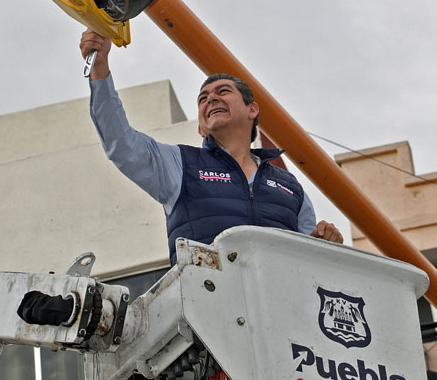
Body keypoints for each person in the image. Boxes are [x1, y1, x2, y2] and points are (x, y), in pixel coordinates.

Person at [80, 30, 343, 264]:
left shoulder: (290, 186)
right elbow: (120, 142)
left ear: (252, 109)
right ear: (201, 127)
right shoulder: (180, 163)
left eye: (223, 91)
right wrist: (99, 67)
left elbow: (312, 261)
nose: (211, 98)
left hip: (278, 313)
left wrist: (326, 243)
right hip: (208, 312)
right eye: (203, 98)